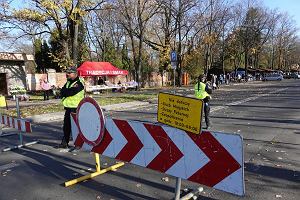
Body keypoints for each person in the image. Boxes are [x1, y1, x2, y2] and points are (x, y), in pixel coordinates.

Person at [59, 66, 85, 148]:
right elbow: (62, 91)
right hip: (68, 108)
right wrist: (64, 91)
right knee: (66, 126)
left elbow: (70, 92)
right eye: (67, 72)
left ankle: (79, 143)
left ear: (75, 74)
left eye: (69, 73)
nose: (67, 74)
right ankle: (64, 143)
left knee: (77, 127)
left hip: (76, 108)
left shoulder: (79, 83)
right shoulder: (68, 82)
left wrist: (65, 91)